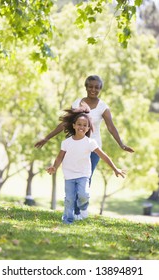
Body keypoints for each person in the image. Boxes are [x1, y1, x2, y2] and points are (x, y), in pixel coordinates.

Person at [35, 75, 134, 218]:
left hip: (92, 147)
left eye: (97, 87)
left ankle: (79, 210)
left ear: (100, 89)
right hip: (75, 146)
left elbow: (111, 127)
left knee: (86, 177)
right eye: (91, 86)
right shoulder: (78, 103)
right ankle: (74, 211)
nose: (93, 89)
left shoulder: (103, 107)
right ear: (86, 87)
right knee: (73, 177)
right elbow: (65, 123)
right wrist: (47, 137)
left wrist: (121, 144)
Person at [46, 106, 126, 224]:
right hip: (69, 174)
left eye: (84, 125)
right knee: (69, 199)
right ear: (74, 125)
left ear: (88, 128)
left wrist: (115, 169)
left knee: (84, 195)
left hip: (83, 174)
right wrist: (54, 167)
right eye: (79, 124)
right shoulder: (66, 142)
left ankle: (83, 207)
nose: (81, 127)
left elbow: (103, 156)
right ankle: (68, 220)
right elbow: (59, 157)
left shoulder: (90, 142)